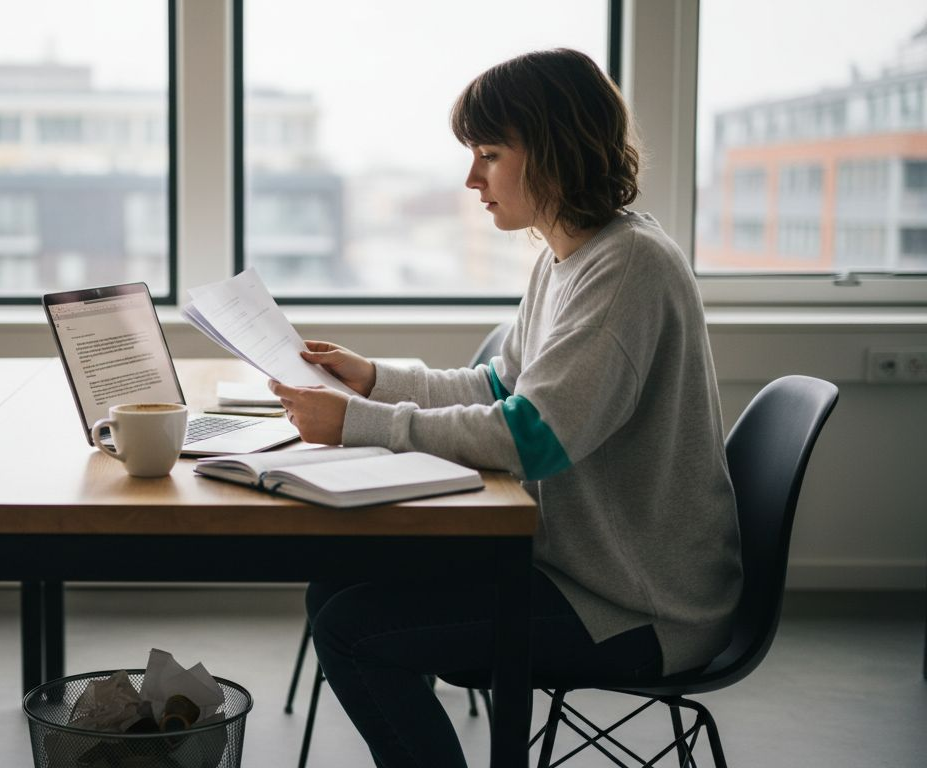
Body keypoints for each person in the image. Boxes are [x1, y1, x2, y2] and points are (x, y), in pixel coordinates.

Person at [268, 48, 742, 767]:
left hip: (635, 605)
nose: (471, 178)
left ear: (554, 153)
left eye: (489, 154)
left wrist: (360, 425)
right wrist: (372, 379)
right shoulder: (569, 256)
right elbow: (501, 387)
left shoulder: (625, 270)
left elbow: (532, 438)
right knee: (338, 588)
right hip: (583, 571)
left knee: (354, 631)